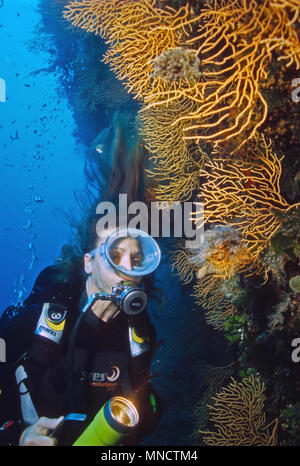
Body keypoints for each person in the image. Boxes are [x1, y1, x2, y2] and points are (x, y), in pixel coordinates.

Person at [0, 222, 162, 446]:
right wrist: (15, 436)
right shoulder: (39, 319)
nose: (128, 269)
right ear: (89, 263)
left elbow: (140, 402)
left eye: (136, 260)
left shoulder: (140, 335)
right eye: (115, 255)